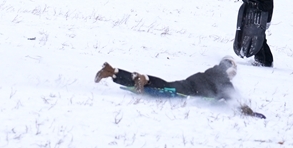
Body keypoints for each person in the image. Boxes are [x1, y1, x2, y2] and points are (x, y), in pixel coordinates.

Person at [94, 57, 260, 116]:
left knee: (167, 85)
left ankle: (113, 71)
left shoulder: (213, 71)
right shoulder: (224, 80)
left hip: (189, 83)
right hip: (192, 90)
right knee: (166, 88)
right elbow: (235, 99)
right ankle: (144, 78)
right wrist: (247, 110)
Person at [238, 0, 274, 67]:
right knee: (262, 40)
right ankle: (268, 60)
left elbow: (266, 6)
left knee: (258, 38)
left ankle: (260, 61)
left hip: (262, 20)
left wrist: (254, 3)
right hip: (254, 18)